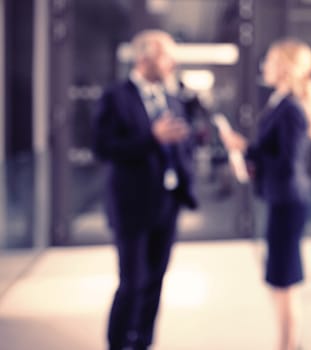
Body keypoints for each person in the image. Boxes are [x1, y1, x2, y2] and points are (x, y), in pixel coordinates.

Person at [92, 29, 197, 350]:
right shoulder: (116, 96)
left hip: (167, 202)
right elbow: (102, 147)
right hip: (131, 204)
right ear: (144, 57)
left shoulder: (171, 96)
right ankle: (117, 343)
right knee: (133, 282)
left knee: (155, 282)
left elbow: (182, 142)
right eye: (167, 54)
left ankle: (143, 343)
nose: (173, 62)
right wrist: (152, 138)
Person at [217, 38, 311, 350]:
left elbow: (286, 162)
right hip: (282, 198)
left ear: (285, 68)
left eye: (270, 61)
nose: (263, 66)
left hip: (288, 201)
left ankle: (288, 345)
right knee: (281, 278)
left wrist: (246, 150)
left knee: (284, 280)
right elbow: (275, 155)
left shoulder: (290, 107)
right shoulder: (280, 101)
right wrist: (250, 158)